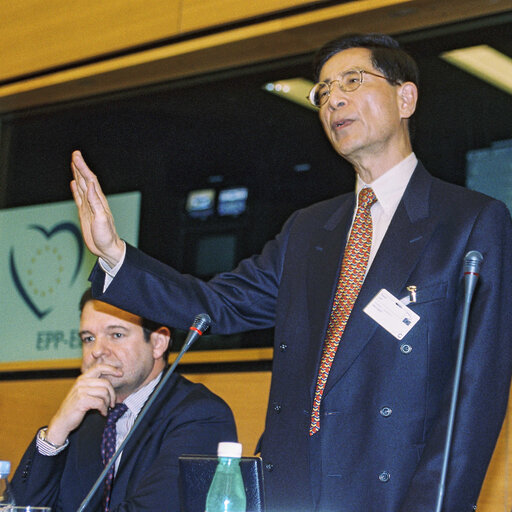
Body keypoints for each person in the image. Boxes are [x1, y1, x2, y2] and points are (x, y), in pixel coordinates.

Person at [69, 33, 512, 512]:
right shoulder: (308, 229)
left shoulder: (468, 222)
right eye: (322, 92)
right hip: (289, 488)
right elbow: (217, 306)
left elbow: (477, 390)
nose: (333, 99)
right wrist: (115, 253)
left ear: (405, 97)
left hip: (393, 492)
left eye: (352, 81)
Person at [11, 289, 237, 512]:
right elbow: (21, 508)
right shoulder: (81, 418)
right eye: (88, 338)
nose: (97, 351)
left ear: (158, 342)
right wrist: (56, 432)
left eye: (116, 335)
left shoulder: (201, 415)